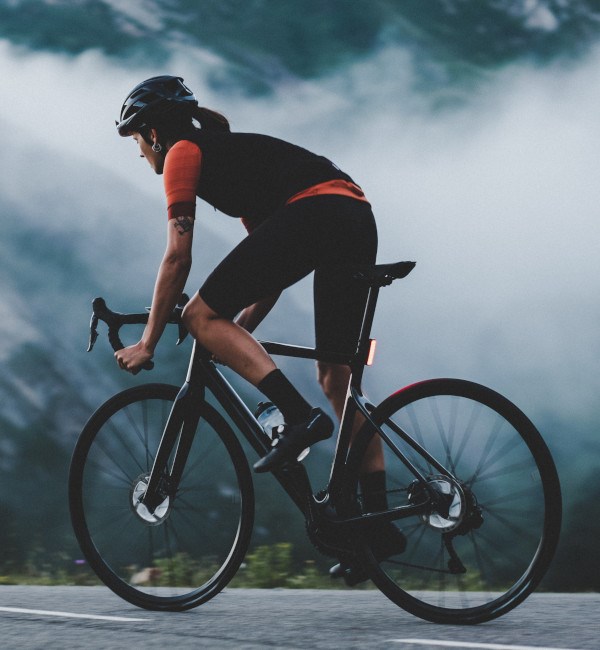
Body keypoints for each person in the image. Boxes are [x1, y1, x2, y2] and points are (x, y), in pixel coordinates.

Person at [114, 75, 405, 582]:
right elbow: (268, 270)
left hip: (319, 211)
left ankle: (297, 418)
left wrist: (148, 342)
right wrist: (237, 332)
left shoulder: (183, 152)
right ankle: (376, 529)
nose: (139, 154)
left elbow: (177, 258)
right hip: (353, 215)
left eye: (137, 141)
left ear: (154, 133)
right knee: (337, 380)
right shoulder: (236, 165)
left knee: (199, 313)